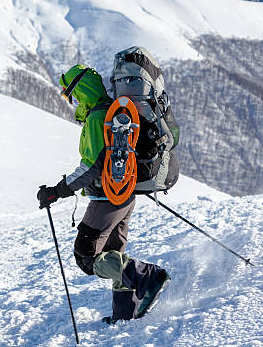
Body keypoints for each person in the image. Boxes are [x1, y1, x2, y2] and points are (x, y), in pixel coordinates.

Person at [37, 64, 170, 322]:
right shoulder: (111, 112)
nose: (71, 101)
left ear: (82, 90)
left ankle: (147, 275)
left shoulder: (98, 118)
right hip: (124, 196)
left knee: (87, 257)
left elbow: (92, 165)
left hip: (106, 199)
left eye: (70, 94)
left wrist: (57, 191)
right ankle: (124, 314)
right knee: (114, 257)